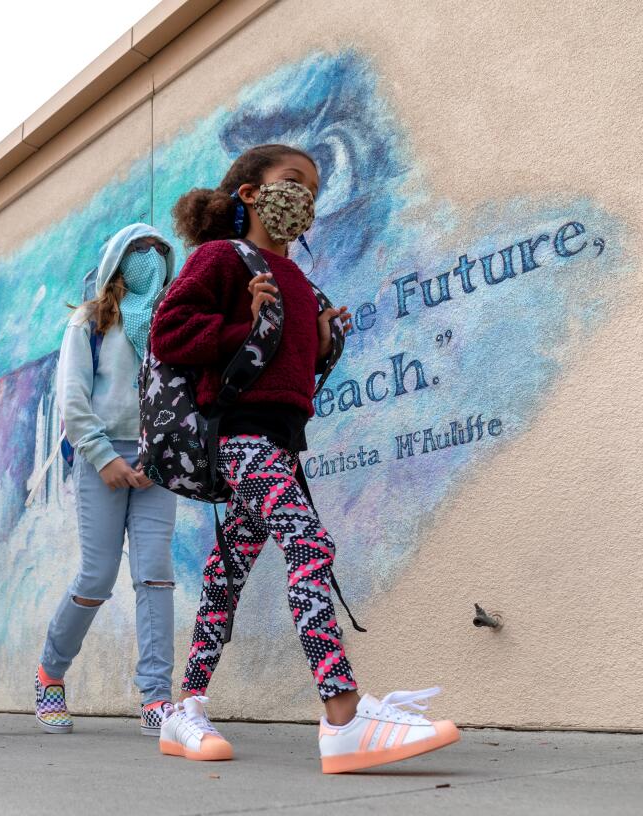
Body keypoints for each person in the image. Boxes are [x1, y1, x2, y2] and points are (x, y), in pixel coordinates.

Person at [149, 143, 460, 772]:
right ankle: (342, 715)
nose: (306, 199)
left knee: (225, 578)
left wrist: (323, 344)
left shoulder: (299, 279)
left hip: (280, 444)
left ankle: (185, 709)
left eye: (313, 190)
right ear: (249, 194)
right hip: (237, 437)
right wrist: (245, 323)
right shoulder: (222, 258)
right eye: (293, 182)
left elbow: (288, 370)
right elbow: (170, 331)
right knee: (307, 543)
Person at [35, 223, 179, 737]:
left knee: (155, 573)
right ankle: (51, 673)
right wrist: (102, 457)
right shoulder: (90, 319)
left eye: (160, 251)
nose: (151, 258)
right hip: (104, 458)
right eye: (140, 249)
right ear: (118, 257)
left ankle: (157, 699)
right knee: (97, 576)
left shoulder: (169, 320)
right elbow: (71, 399)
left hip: (158, 457)